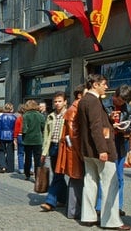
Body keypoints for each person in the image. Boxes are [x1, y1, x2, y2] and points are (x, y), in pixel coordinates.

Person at [78, 74, 128, 229]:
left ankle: (88, 216)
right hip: (100, 149)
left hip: (87, 150)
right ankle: (111, 221)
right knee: (110, 184)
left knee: (90, 182)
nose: (106, 87)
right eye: (104, 84)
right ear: (95, 84)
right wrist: (102, 149)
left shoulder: (84, 101)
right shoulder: (93, 101)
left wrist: (111, 123)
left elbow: (92, 126)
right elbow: (95, 127)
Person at [98, 84, 131, 217]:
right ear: (115, 95)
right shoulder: (104, 104)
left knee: (119, 177)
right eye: (119, 100)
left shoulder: (128, 108)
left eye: (123, 102)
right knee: (104, 176)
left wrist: (125, 128)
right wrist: (111, 123)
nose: (121, 103)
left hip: (120, 144)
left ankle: (117, 206)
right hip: (107, 144)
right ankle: (100, 206)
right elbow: (98, 125)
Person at [55, 84, 86, 219]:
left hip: (74, 150)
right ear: (80, 95)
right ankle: (74, 211)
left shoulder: (75, 108)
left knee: (76, 180)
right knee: (76, 180)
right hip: (74, 151)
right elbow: (73, 135)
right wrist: (81, 153)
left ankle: (74, 210)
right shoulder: (75, 110)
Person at [40, 91, 68, 212]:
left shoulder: (68, 114)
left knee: (57, 174)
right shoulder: (50, 116)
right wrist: (44, 152)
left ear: (65, 102)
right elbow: (46, 136)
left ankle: (50, 201)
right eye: (55, 101)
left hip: (63, 147)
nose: (57, 103)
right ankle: (64, 198)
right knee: (58, 175)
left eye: (59, 101)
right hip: (52, 146)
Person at [21, 100, 44, 181]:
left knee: (28, 157)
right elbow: (43, 127)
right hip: (38, 140)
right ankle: (37, 176)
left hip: (28, 140)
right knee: (37, 159)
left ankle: (27, 174)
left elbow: (24, 129)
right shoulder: (40, 115)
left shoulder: (25, 116)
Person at [0, 103, 16, 173]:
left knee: (1, 151)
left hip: (2, 135)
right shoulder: (14, 117)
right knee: (10, 152)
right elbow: (15, 128)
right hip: (11, 135)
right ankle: (10, 168)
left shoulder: (1, 117)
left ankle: (3, 166)